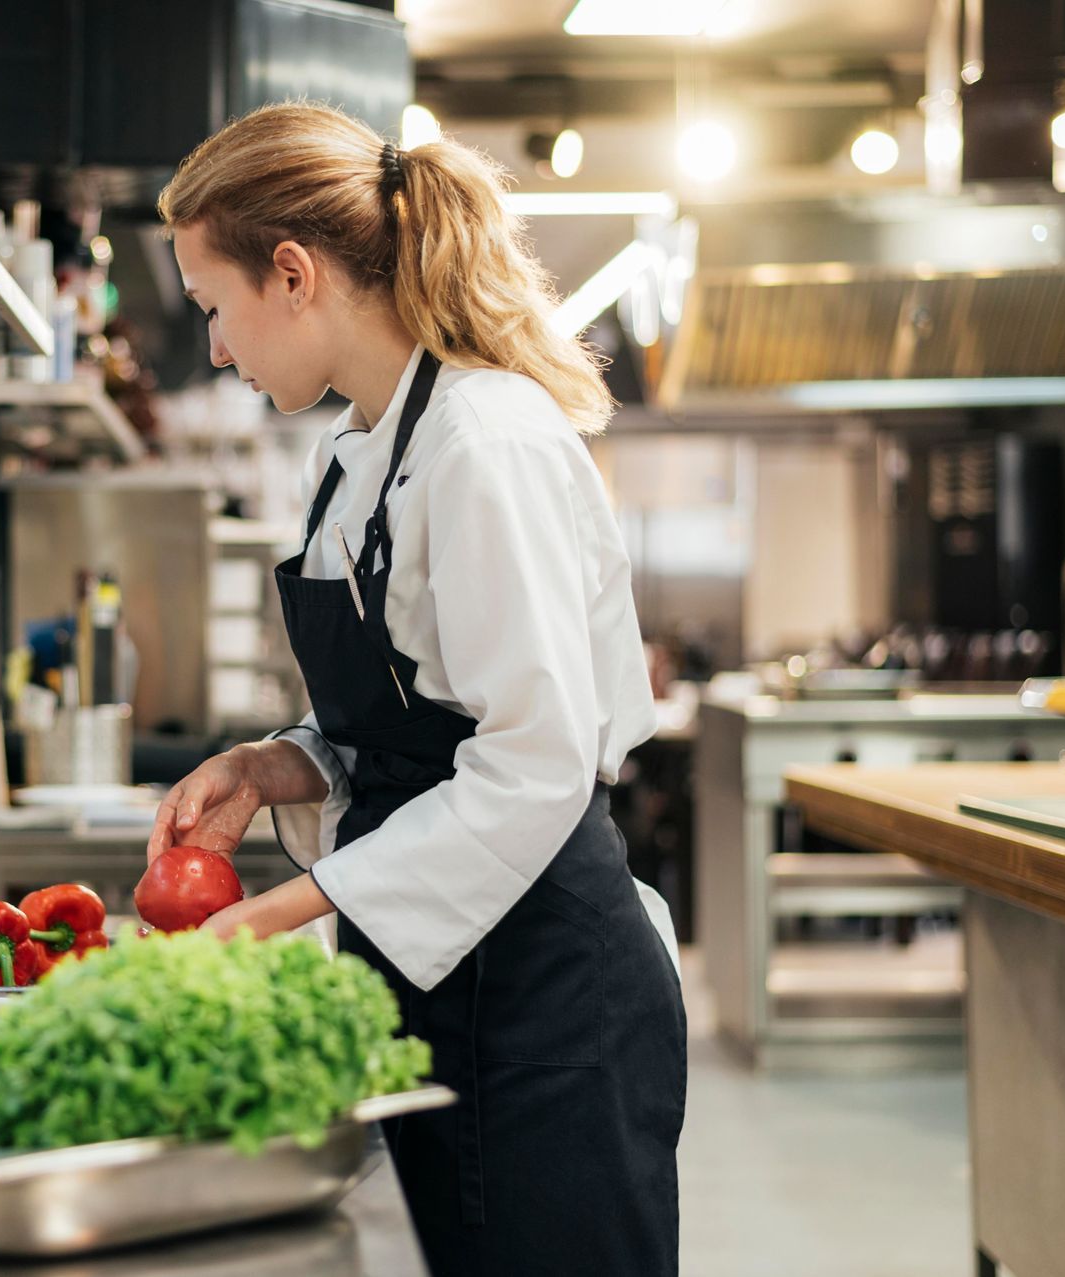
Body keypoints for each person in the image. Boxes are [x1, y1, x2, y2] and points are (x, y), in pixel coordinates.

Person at [144, 102, 686, 1277]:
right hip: (448, 978)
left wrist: (283, 909)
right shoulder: (365, 448)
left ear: (292, 274)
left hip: (545, 994)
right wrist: (276, 761)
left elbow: (534, 760)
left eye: (214, 309)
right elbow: (423, 721)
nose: (221, 349)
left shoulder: (484, 442)